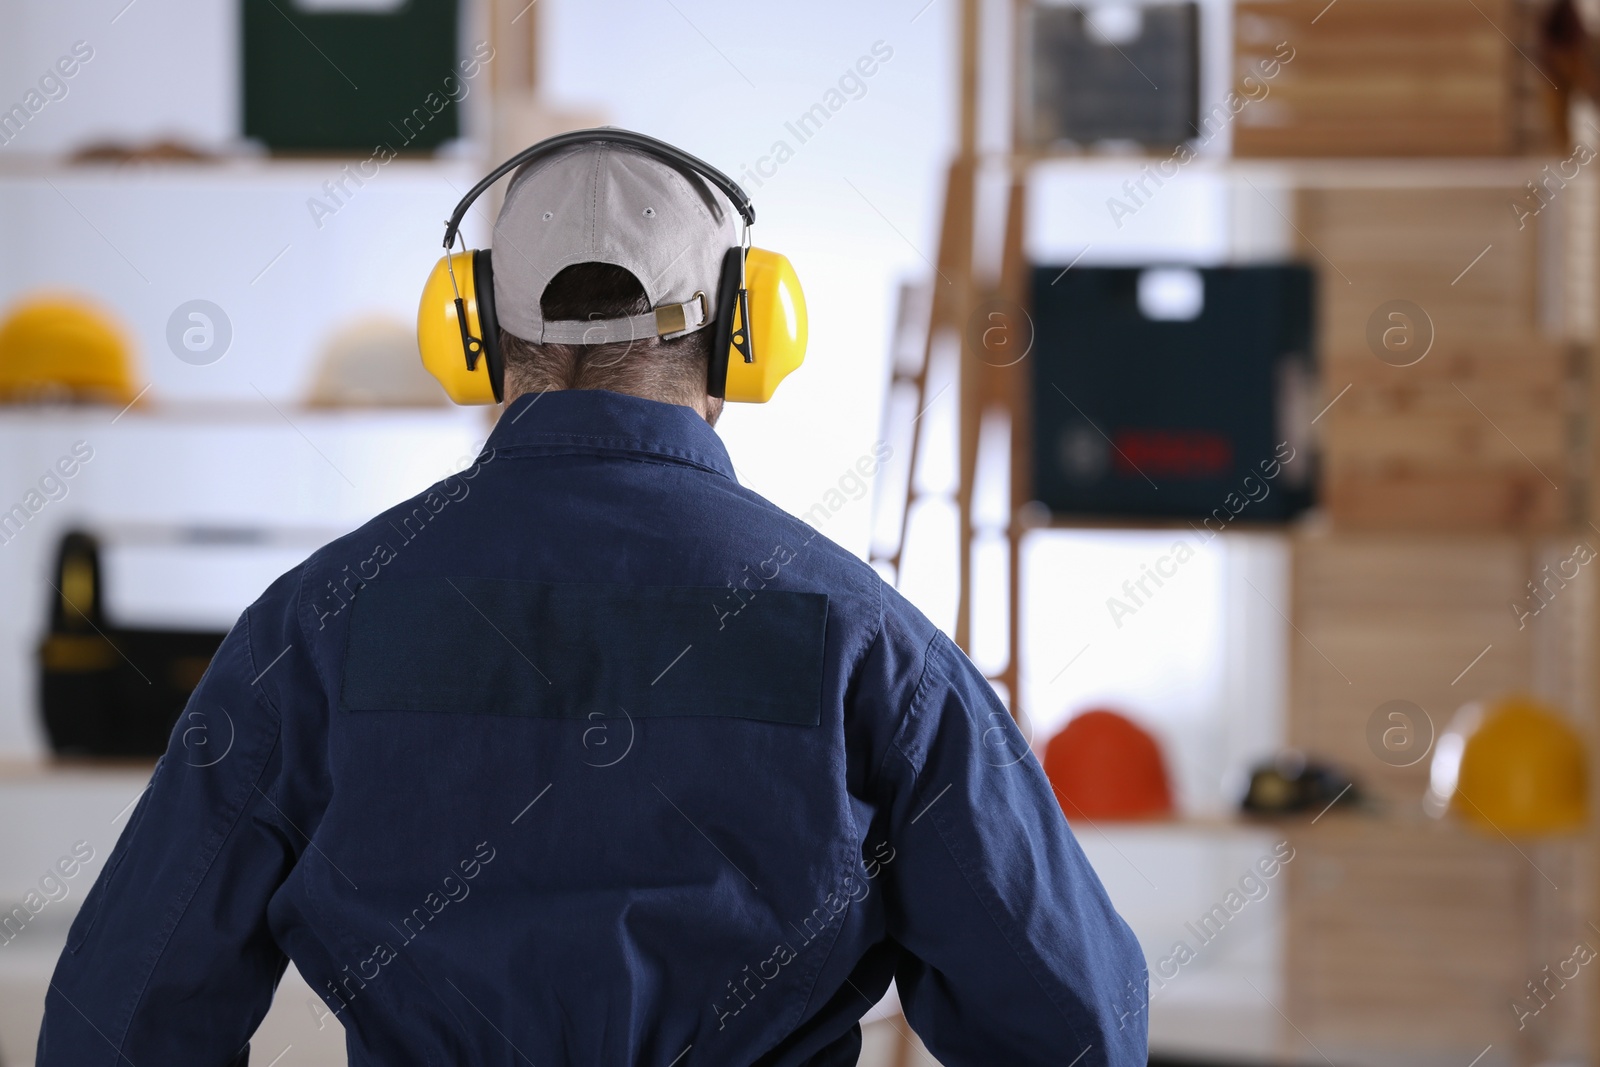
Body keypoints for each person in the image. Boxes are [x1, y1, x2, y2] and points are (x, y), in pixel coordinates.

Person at [37, 131, 1147, 1066]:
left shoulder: (315, 623)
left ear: (468, 329)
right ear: (746, 332)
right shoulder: (867, 642)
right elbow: (1078, 1021)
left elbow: (117, 1016)